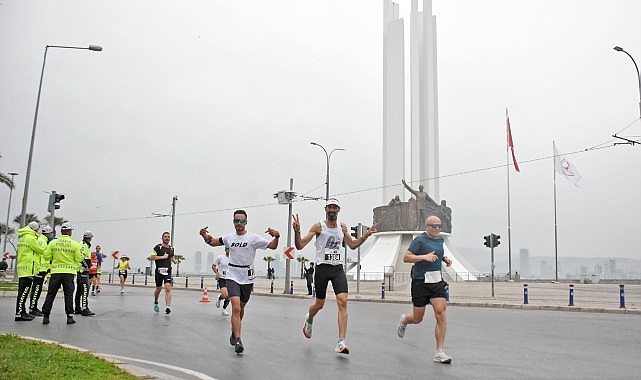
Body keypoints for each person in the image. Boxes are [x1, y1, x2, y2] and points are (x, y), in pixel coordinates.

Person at [293, 198, 378, 354]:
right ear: (326, 209)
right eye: (330, 207)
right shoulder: (318, 226)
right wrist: (297, 231)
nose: (332, 210)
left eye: (335, 207)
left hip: (337, 268)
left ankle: (341, 342)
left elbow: (352, 245)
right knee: (319, 304)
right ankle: (309, 318)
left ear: (339, 210)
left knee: (343, 301)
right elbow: (300, 245)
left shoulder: (342, 227)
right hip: (322, 268)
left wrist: (367, 235)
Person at [199, 210, 280, 354]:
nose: (239, 224)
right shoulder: (229, 237)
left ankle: (234, 330)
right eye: (236, 221)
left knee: (241, 308)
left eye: (242, 221)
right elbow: (213, 242)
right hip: (232, 275)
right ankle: (238, 340)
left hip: (247, 277)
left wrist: (277, 236)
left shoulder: (253, 238)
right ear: (233, 222)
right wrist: (204, 235)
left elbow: (273, 246)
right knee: (235, 307)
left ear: (246, 222)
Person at [396, 215, 453, 364]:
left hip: (436, 282)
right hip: (420, 282)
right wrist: (424, 257)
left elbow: (437, 254)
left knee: (441, 313)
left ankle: (439, 352)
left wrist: (444, 259)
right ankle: (405, 320)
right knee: (417, 318)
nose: (437, 229)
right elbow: (406, 258)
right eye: (434, 226)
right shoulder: (419, 240)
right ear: (426, 227)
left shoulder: (440, 240)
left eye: (439, 226)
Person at [42, 222, 83, 325]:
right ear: (69, 232)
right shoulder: (75, 244)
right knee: (68, 294)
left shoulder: (53, 243)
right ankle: (69, 317)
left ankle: (46, 316)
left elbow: (46, 256)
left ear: (61, 232)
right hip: (69, 273)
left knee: (51, 294)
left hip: (56, 272)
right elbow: (78, 258)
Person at [15, 221, 44, 321]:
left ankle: (22, 312)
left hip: (23, 267)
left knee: (22, 291)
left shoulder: (22, 237)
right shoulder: (31, 238)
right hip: (28, 268)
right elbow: (40, 250)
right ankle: (19, 313)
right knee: (24, 292)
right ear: (35, 229)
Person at [149, 232, 177, 314]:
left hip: (168, 271)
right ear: (162, 238)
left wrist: (174, 260)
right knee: (158, 289)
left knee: (168, 288)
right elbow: (152, 257)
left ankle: (167, 307)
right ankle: (156, 302)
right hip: (159, 271)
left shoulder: (171, 249)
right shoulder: (158, 247)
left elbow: (172, 256)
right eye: (165, 237)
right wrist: (162, 257)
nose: (167, 238)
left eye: (168, 237)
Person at [28, 224, 54, 316]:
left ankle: (33, 307)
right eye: (50, 233)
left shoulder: (42, 239)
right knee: (37, 288)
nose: (51, 235)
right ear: (48, 233)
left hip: (41, 268)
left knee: (37, 288)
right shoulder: (42, 241)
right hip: (40, 268)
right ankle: (32, 308)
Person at [74, 231, 95, 316]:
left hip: (81, 270)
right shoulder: (83, 245)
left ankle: (78, 308)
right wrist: (86, 266)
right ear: (89, 238)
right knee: (85, 289)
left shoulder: (84, 245)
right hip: (82, 270)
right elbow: (81, 257)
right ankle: (84, 308)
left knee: (79, 290)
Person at [212, 246, 231, 316]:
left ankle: (224, 309)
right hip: (222, 278)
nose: (230, 251)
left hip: (230, 278)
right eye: (228, 249)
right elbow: (213, 266)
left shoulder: (234, 258)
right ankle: (220, 298)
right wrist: (217, 273)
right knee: (225, 294)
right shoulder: (220, 257)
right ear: (226, 250)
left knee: (229, 296)